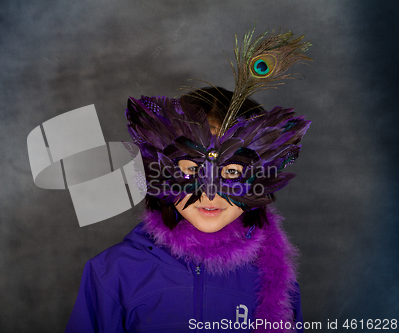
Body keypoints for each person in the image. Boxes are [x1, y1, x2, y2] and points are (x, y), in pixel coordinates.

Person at [65, 29, 311, 333]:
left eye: (232, 172)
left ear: (262, 177)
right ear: (160, 170)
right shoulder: (112, 273)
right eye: (191, 170)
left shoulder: (278, 282)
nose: (209, 194)